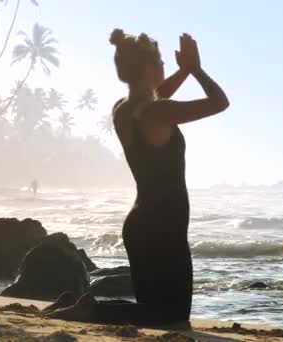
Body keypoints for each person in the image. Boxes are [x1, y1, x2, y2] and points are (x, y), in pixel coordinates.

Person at [47, 29, 229, 326]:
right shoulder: (158, 112)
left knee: (153, 310)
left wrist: (183, 71)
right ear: (147, 68)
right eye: (160, 60)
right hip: (163, 226)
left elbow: (158, 95)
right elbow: (220, 102)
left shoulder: (124, 109)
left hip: (142, 224)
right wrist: (195, 69)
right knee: (172, 318)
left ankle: (79, 304)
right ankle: (90, 310)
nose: (164, 65)